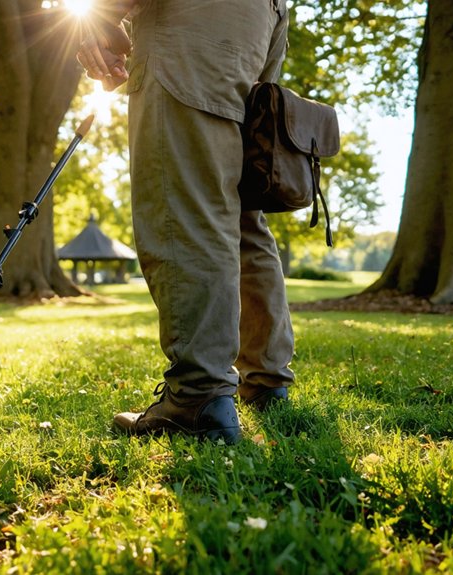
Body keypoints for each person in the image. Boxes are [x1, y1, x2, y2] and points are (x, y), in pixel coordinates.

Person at [77, 0, 294, 445]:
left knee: (188, 205)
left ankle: (199, 396)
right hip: (264, 16)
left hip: (192, 22)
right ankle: (266, 380)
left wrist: (99, 19)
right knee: (238, 210)